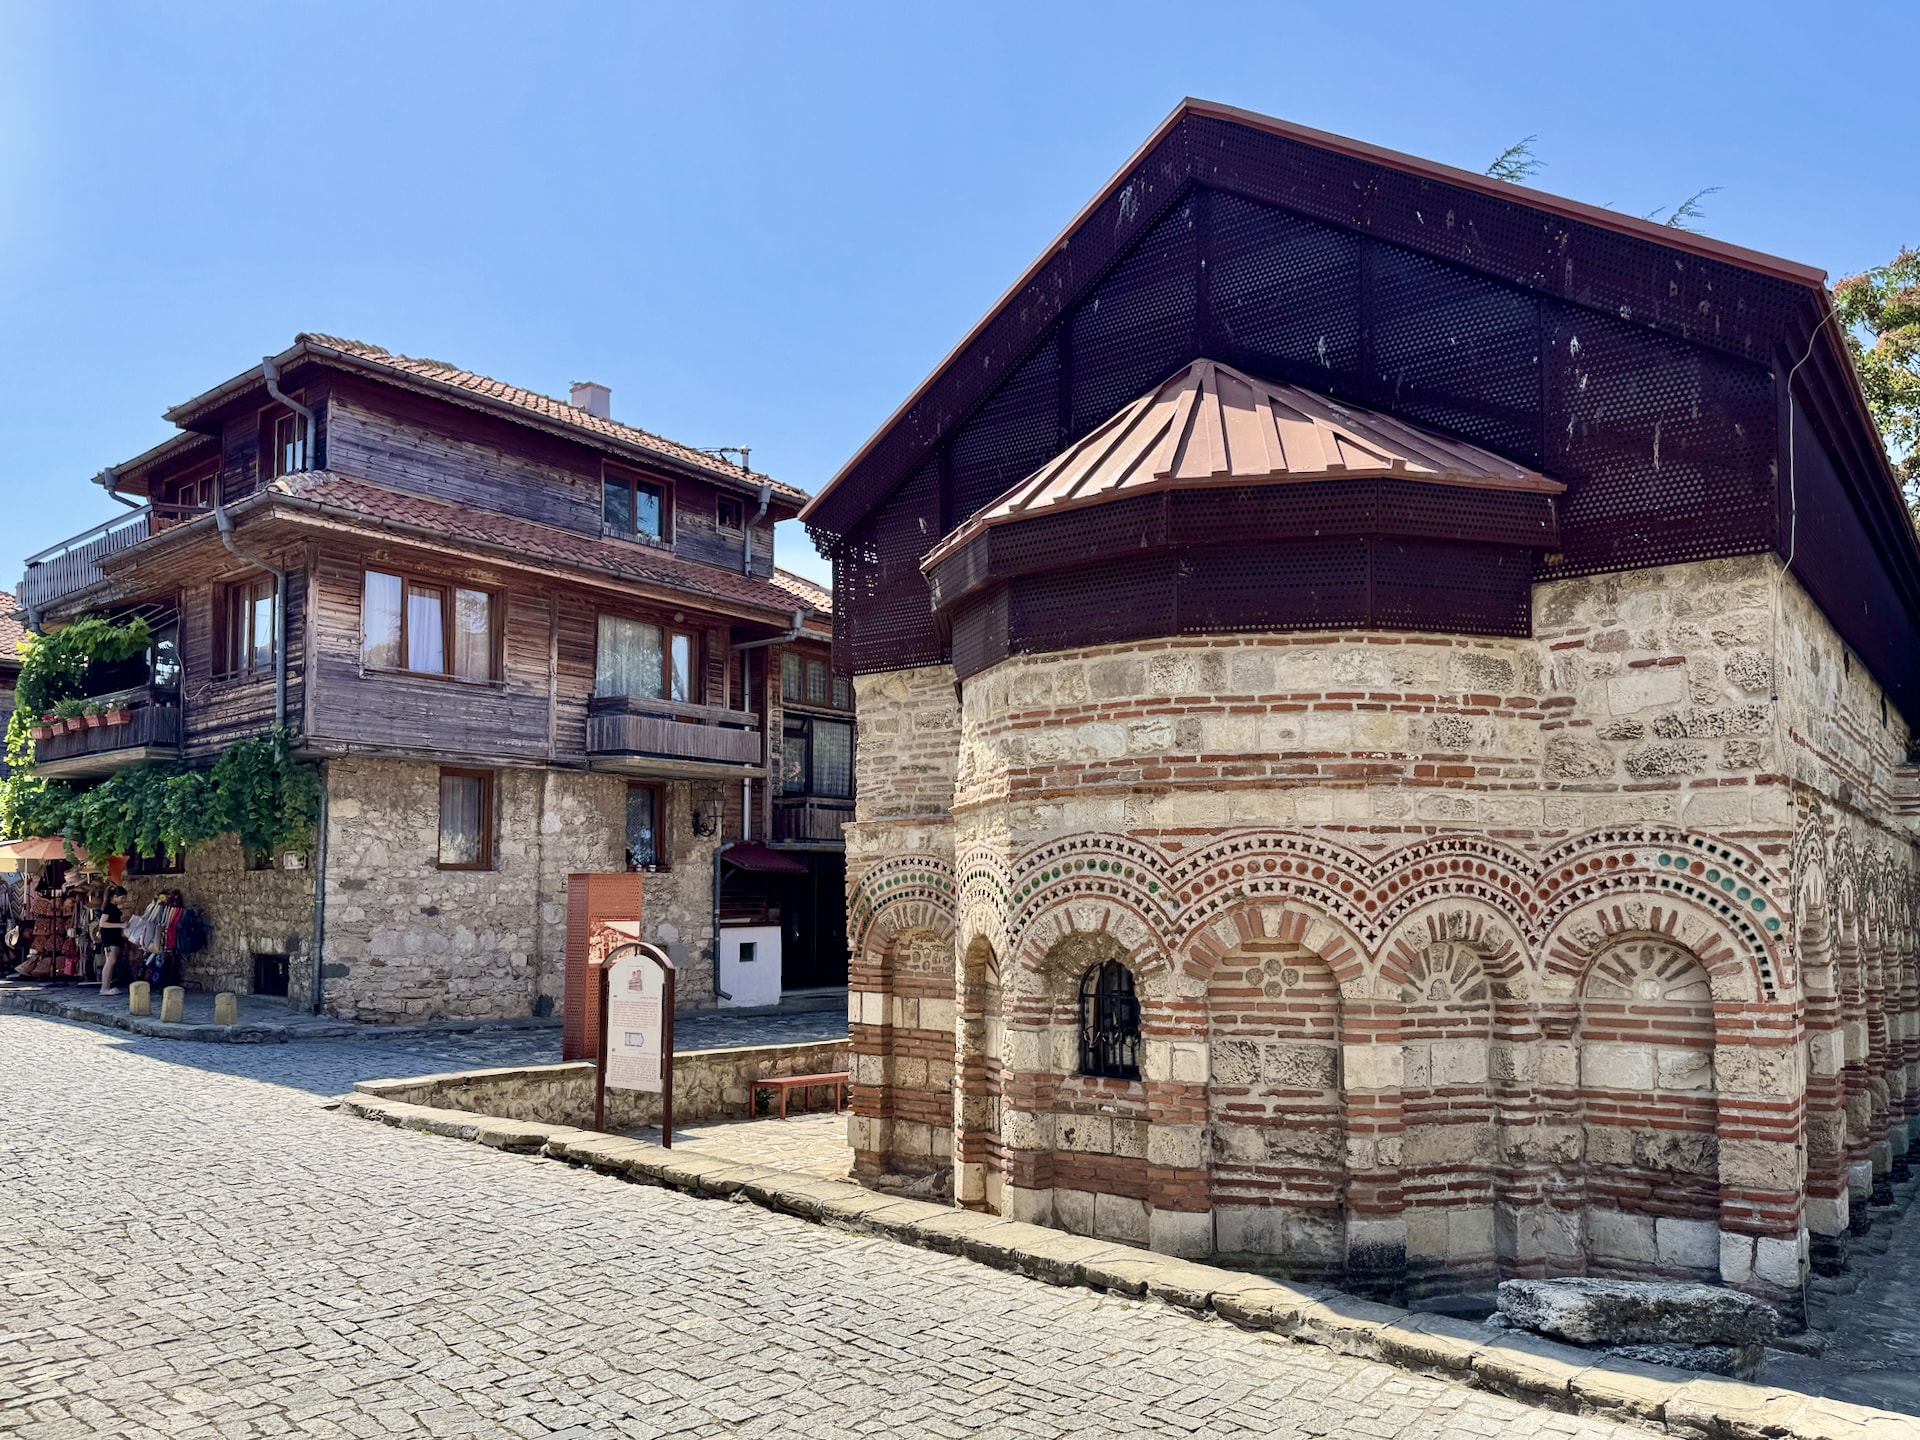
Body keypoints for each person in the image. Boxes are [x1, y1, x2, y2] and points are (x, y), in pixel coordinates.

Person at [97, 885, 128, 995]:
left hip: (113, 936)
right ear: (115, 896)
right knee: (110, 961)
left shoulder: (113, 907)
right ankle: (104, 988)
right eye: (122, 898)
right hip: (110, 937)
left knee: (111, 961)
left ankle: (107, 986)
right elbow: (102, 923)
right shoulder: (109, 908)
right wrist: (120, 925)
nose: (123, 901)